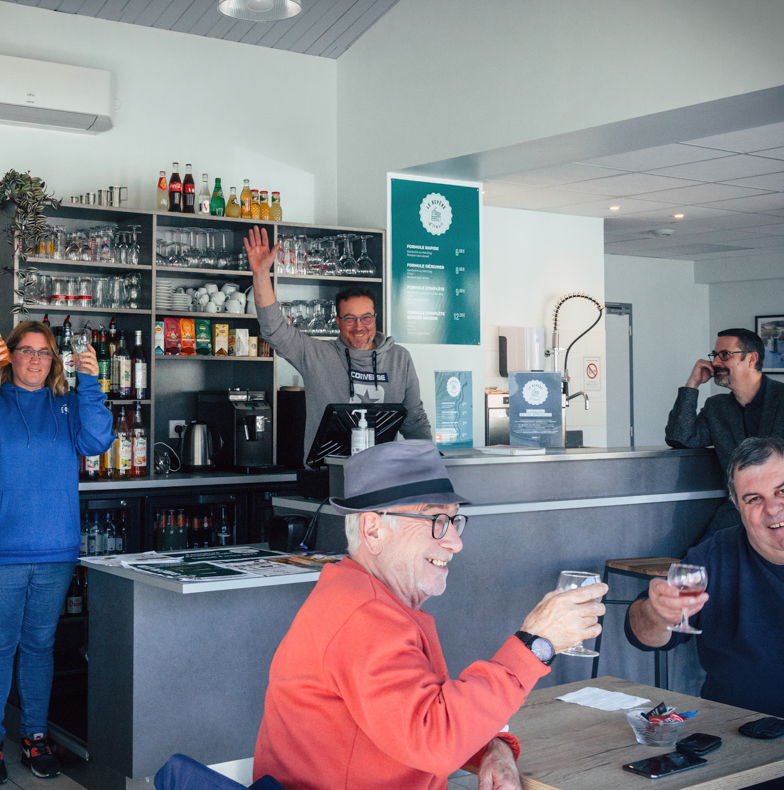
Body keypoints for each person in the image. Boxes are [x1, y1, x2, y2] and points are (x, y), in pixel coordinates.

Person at [253, 440, 607, 790]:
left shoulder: (360, 595)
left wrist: (491, 748)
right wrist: (535, 644)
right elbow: (435, 740)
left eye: (454, 520)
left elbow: (416, 719)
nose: (455, 541)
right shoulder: (364, 616)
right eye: (436, 519)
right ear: (373, 529)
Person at [0, 320, 113, 785]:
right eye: (26, 351)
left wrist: (93, 383)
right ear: (9, 356)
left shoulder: (67, 404)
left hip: (55, 547)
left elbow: (99, 441)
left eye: (45, 352)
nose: (36, 359)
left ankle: (36, 737)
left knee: (39, 647)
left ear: (54, 359)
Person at [625, 437, 784, 790]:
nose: (772, 508)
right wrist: (656, 612)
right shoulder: (716, 553)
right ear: (738, 507)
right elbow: (642, 635)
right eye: (753, 499)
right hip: (730, 756)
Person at [245, 227, 432, 464]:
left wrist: (431, 468)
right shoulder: (317, 355)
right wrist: (261, 274)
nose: (359, 327)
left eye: (366, 317)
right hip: (326, 475)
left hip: (382, 474)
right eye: (350, 319)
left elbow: (414, 420)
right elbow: (274, 331)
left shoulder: (399, 358)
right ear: (337, 321)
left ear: (375, 318)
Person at [667, 327, 784, 530]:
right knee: (694, 561)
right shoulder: (717, 407)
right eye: (714, 355)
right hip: (739, 516)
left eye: (725, 355)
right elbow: (680, 438)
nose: (715, 362)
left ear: (751, 359)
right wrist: (692, 384)